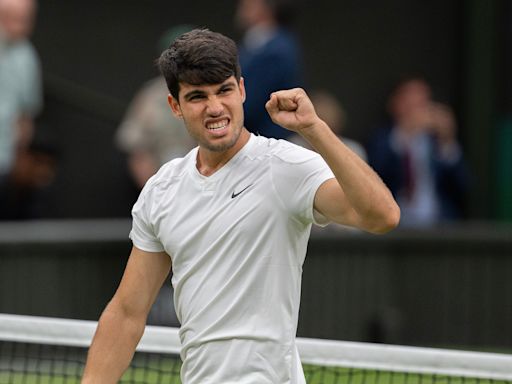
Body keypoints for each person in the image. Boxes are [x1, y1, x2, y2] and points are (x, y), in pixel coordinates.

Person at [82, 29, 400, 384]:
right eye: (198, 96)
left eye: (224, 90)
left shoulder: (286, 167)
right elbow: (127, 313)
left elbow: (382, 216)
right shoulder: (161, 190)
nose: (215, 107)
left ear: (242, 90)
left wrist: (315, 128)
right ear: (175, 106)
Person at [367, 76, 470, 228]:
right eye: (410, 104)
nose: (416, 111)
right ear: (395, 104)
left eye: (422, 104)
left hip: (440, 223)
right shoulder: (382, 139)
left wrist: (447, 141)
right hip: (395, 223)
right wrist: (405, 133)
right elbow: (375, 175)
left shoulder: (437, 142)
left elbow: (463, 185)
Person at [116, 25, 197, 190]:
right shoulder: (150, 96)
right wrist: (154, 191)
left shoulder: (213, 94)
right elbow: (137, 150)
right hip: (161, 182)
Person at [235, 0, 303, 140]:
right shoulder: (256, 44)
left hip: (267, 141)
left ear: (266, 8)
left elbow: (251, 102)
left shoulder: (277, 49)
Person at [0, 0, 42, 178]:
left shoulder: (26, 57)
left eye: (26, 20)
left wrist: (19, 151)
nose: (22, 27)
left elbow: (27, 113)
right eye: (15, 19)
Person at [289, 89, 367, 162]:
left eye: (328, 125)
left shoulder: (353, 150)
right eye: (320, 120)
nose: (322, 131)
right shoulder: (292, 147)